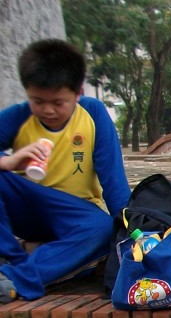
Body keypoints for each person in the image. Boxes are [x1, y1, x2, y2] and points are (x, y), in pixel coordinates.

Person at [0, 38, 130, 303]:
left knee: (104, 228)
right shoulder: (19, 116)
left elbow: (113, 183)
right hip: (29, 205)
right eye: (38, 101)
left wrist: (132, 228)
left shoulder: (92, 114)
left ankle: (14, 276)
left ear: (78, 92)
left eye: (58, 102)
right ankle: (14, 259)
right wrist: (9, 162)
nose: (47, 110)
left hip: (76, 214)